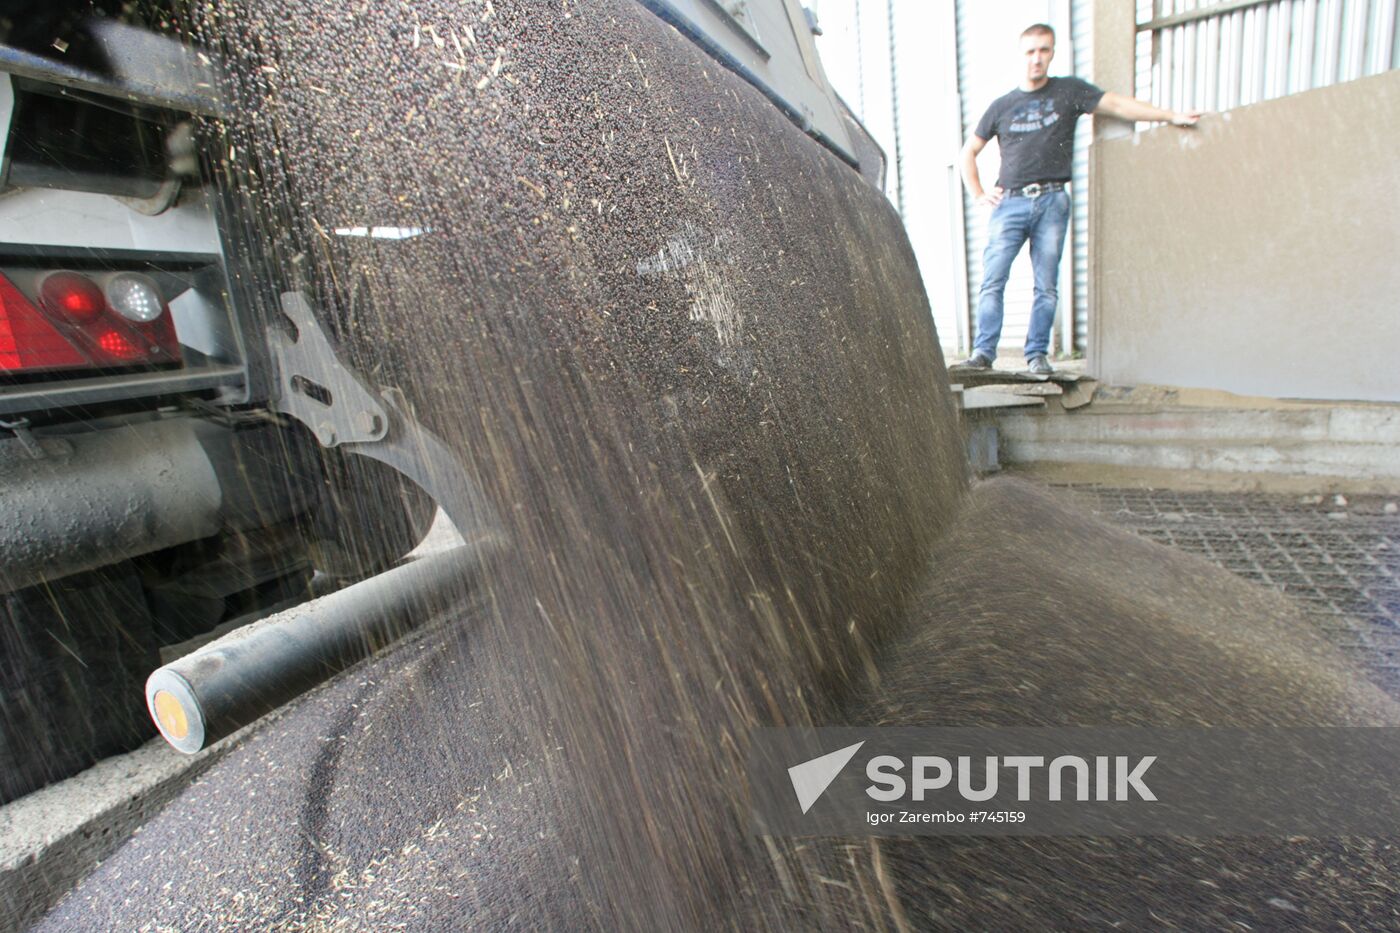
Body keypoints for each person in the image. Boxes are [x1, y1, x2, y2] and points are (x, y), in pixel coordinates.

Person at [957, 23, 1201, 374]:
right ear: (1021, 55)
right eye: (1030, 52)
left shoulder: (1069, 91)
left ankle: (1037, 355)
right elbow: (969, 153)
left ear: (1052, 52)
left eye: (1044, 50)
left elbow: (1116, 104)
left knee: (1047, 284)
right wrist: (979, 194)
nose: (1036, 59)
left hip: (1052, 201)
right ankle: (983, 354)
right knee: (993, 279)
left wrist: (1169, 115)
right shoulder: (1002, 106)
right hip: (1009, 203)